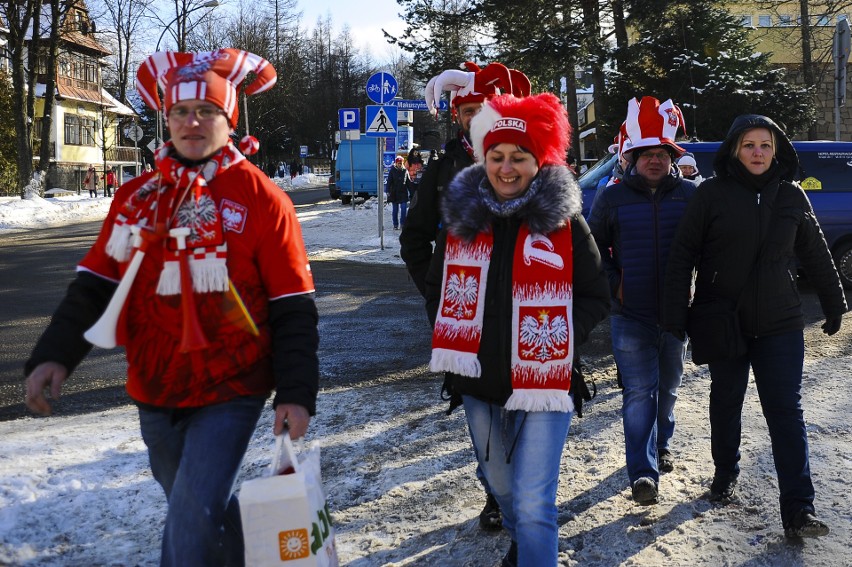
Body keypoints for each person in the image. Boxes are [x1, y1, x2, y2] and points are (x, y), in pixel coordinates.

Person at [23, 48, 319, 566]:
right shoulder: (137, 198)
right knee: (201, 510)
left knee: (187, 530)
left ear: (228, 119)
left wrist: (295, 391)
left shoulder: (262, 198)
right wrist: (54, 355)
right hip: (154, 387)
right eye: (180, 112)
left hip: (233, 387)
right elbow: (96, 283)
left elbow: (292, 304)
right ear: (166, 119)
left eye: (207, 111)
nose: (192, 122)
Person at [425, 92, 609, 566]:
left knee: (533, 504)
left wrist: (562, 340)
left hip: (547, 385)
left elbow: (595, 295)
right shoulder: (461, 220)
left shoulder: (564, 222)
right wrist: (459, 340)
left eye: (519, 158)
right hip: (478, 384)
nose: (507, 168)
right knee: (504, 491)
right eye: (497, 157)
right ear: (484, 158)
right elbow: (436, 287)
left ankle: (531, 542)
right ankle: (521, 540)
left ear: (538, 160)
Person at [662, 114, 847, 538]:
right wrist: (674, 316)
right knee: (726, 401)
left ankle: (799, 508)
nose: (758, 152)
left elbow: (816, 252)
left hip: (781, 323)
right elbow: (682, 255)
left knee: (786, 412)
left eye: (765, 145)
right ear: (734, 150)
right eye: (749, 145)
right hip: (723, 319)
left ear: (777, 149)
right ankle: (725, 471)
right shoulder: (710, 195)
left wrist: (834, 302)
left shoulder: (792, 196)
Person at [401, 61, 523, 531]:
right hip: (466, 317)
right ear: (457, 115)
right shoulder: (444, 166)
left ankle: (519, 505)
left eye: (483, 108)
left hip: (522, 312)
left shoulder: (526, 157)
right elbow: (415, 238)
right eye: (467, 110)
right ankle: (496, 493)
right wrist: (438, 297)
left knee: (519, 413)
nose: (475, 117)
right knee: (483, 414)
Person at [587, 96, 696, 505]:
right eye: (646, 154)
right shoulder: (611, 198)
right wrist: (616, 283)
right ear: (631, 157)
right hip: (629, 314)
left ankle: (661, 443)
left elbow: (708, 247)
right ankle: (642, 473)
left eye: (661, 154)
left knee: (668, 388)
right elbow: (593, 249)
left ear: (671, 157)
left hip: (675, 313)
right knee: (638, 392)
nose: (654, 161)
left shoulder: (690, 196)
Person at [385, 156, 411, 230]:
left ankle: (402, 224)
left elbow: (408, 183)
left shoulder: (405, 171)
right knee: (395, 210)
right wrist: (387, 191)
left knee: (403, 210)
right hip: (394, 193)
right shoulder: (392, 170)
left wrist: (413, 190)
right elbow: (389, 182)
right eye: (398, 163)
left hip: (403, 193)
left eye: (401, 163)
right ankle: (395, 224)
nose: (400, 164)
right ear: (396, 163)